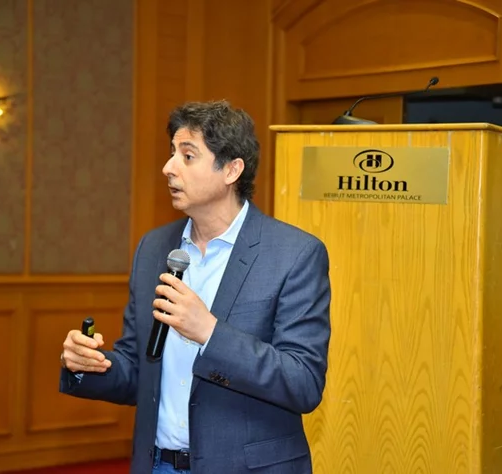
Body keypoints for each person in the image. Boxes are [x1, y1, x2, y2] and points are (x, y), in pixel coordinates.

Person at [59, 100, 331, 474]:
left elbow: (302, 382)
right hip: (159, 465)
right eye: (172, 152)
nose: (168, 168)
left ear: (232, 170)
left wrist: (209, 332)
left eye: (187, 156)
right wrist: (88, 365)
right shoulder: (154, 248)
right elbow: (138, 369)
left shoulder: (294, 254)